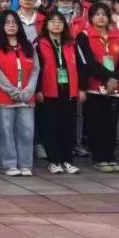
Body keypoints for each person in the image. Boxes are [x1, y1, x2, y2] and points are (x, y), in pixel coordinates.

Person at [0, 10, 38, 176]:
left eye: (14, 22)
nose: (11, 25)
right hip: (3, 96)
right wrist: (12, 90)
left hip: (26, 96)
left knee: (27, 131)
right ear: (1, 25)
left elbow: (35, 69)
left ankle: (25, 164)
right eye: (7, 22)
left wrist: (29, 90)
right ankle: (8, 165)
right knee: (5, 131)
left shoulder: (28, 45)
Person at [75, 2, 119, 172]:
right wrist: (107, 78)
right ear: (91, 17)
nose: (101, 17)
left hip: (115, 87)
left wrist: (115, 79)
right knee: (96, 123)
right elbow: (87, 62)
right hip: (94, 87)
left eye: (104, 14)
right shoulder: (84, 36)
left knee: (111, 123)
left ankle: (110, 157)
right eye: (97, 14)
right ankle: (98, 157)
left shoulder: (116, 36)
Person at [35, 10, 82, 174]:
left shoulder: (71, 43)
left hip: (69, 90)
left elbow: (81, 67)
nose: (56, 24)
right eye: (53, 21)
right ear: (46, 24)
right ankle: (54, 160)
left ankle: (67, 160)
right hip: (49, 91)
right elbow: (36, 69)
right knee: (51, 126)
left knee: (68, 126)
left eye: (60, 21)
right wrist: (38, 89)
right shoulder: (39, 43)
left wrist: (81, 88)